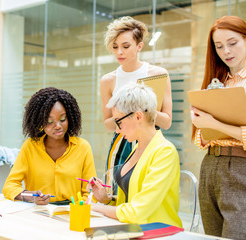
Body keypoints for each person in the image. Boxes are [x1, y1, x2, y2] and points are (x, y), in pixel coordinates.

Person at [87, 82, 182, 227]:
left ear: (138, 116)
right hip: (134, 230)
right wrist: (107, 199)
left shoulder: (165, 152)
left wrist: (96, 208)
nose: (117, 130)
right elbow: (133, 200)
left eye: (119, 122)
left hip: (158, 233)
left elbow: (138, 212)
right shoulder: (137, 148)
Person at [190, 16, 246, 239]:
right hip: (210, 166)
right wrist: (200, 121)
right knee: (212, 236)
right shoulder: (220, 80)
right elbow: (200, 140)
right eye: (219, 46)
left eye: (232, 43)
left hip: (240, 168)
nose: (226, 51)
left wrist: (214, 124)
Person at [100, 16, 173, 172]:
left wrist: (143, 108)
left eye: (126, 46)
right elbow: (107, 124)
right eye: (115, 47)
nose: (119, 52)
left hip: (151, 141)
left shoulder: (158, 74)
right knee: (117, 192)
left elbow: (166, 122)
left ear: (139, 46)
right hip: (122, 142)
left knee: (149, 189)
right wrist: (128, 114)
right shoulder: (108, 80)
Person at [3, 87, 96, 205]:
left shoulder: (83, 147)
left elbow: (90, 191)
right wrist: (30, 196)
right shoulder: (30, 146)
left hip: (72, 213)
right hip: (38, 211)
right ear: (39, 122)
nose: (57, 126)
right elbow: (9, 186)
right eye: (49, 121)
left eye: (62, 119)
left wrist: (79, 208)